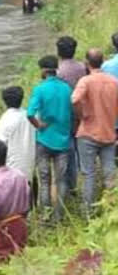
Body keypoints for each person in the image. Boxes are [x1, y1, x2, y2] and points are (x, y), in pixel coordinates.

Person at [71, 48, 118, 212]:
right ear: (102, 60)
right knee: (110, 173)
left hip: (88, 134)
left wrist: (82, 115)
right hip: (109, 133)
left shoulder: (86, 81)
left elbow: (75, 99)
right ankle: (111, 210)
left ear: (86, 63)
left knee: (88, 174)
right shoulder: (113, 81)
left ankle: (87, 212)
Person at [27, 56, 72, 221]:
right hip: (63, 140)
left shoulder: (40, 89)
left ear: (44, 71)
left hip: (44, 140)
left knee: (45, 180)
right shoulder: (66, 88)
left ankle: (46, 217)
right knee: (61, 180)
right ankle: (59, 216)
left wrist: (38, 125)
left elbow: (30, 113)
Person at [0, 139, 30, 260]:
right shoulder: (20, 175)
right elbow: (28, 196)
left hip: (2, 227)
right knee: (19, 257)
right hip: (20, 223)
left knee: (1, 260)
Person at [56, 36, 87, 194]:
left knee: (66, 150)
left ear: (58, 52)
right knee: (78, 146)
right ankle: (81, 178)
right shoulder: (82, 67)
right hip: (81, 112)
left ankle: (69, 185)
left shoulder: (58, 72)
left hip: (64, 114)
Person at [0, 86, 36, 182]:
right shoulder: (30, 116)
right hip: (30, 165)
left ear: (4, 101)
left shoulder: (5, 120)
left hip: (12, 168)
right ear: (21, 99)